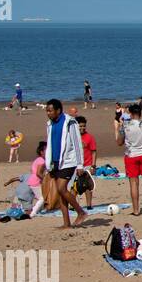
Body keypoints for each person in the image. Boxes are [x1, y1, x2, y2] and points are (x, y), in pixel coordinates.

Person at [44, 98, 87, 229]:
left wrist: (80, 164)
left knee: (62, 188)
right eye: (47, 110)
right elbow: (50, 143)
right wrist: (49, 162)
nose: (48, 113)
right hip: (55, 162)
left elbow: (77, 143)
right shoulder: (50, 124)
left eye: (50, 110)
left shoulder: (70, 122)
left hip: (69, 161)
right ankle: (66, 223)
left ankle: (81, 212)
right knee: (60, 191)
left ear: (58, 110)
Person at [77, 115, 98, 208]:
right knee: (75, 186)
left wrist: (93, 165)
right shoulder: (72, 137)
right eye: (80, 126)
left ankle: (89, 205)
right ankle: (74, 205)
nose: (82, 128)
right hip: (76, 165)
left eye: (83, 126)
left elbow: (94, 151)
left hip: (87, 164)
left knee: (87, 186)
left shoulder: (90, 137)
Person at [27, 142, 46, 216]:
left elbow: (32, 170)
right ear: (41, 152)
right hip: (35, 181)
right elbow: (38, 173)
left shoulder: (38, 159)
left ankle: (36, 210)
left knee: (41, 198)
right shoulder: (42, 160)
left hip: (32, 180)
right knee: (42, 198)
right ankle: (33, 213)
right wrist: (44, 179)